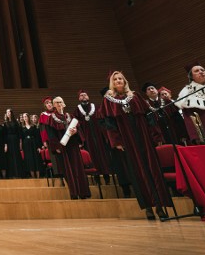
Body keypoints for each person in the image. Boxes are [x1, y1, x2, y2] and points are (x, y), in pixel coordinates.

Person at [98, 71, 172, 221]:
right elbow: (108, 124)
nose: (119, 81)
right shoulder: (108, 100)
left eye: (121, 79)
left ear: (125, 81)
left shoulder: (136, 96)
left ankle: (160, 206)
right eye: (116, 79)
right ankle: (149, 208)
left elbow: (149, 116)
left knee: (153, 169)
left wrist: (156, 135)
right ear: (112, 83)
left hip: (143, 136)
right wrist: (117, 142)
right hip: (128, 140)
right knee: (138, 172)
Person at [41, 96, 90, 199]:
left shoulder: (70, 116)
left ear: (64, 103)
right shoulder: (51, 119)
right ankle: (74, 193)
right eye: (57, 102)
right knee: (68, 170)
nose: (59, 104)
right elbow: (51, 135)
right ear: (54, 105)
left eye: (61, 102)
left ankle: (83, 192)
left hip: (73, 146)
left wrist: (76, 132)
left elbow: (78, 130)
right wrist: (56, 147)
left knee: (78, 169)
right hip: (62, 147)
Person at [72, 90, 113, 182]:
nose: (83, 97)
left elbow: (102, 122)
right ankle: (96, 176)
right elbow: (76, 126)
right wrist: (81, 139)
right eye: (81, 96)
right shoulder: (77, 111)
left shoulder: (96, 107)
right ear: (79, 98)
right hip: (87, 138)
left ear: (88, 97)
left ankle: (106, 175)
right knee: (91, 156)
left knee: (103, 154)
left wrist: (105, 136)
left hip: (99, 136)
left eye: (85, 95)